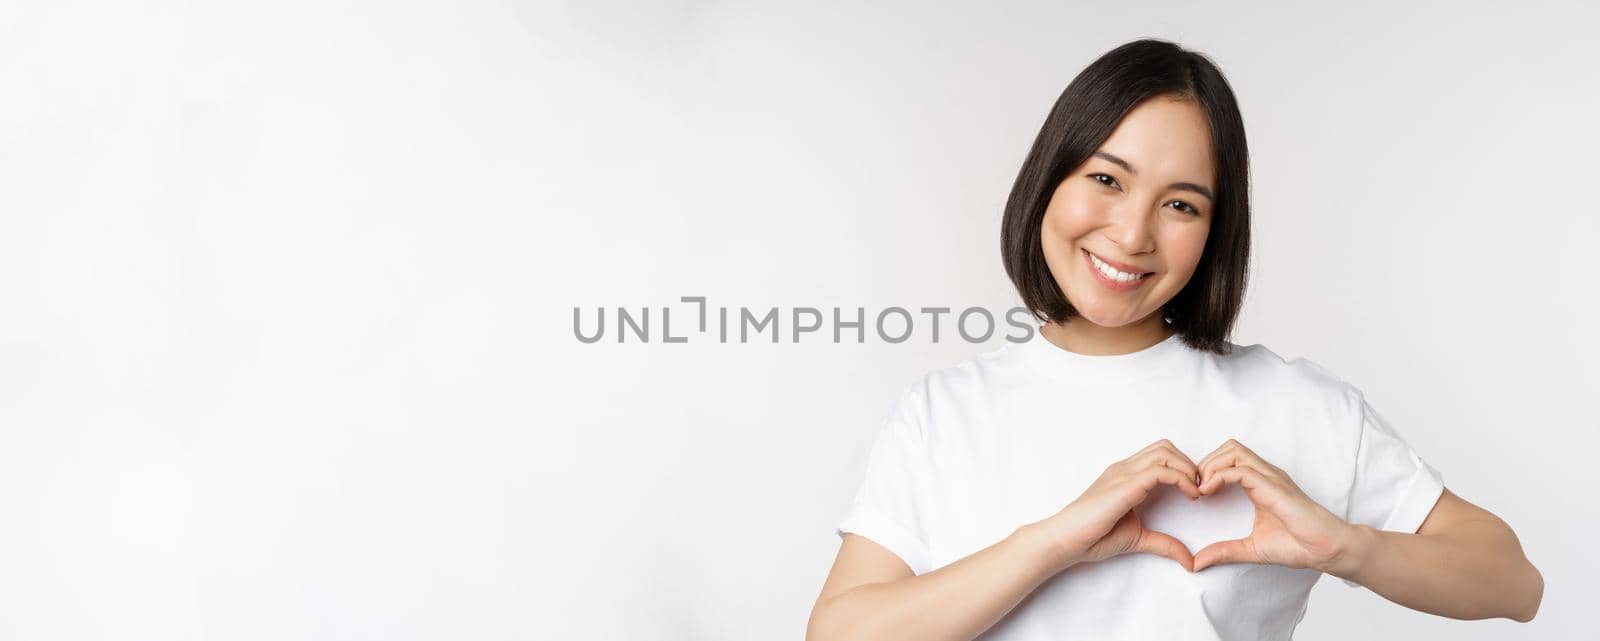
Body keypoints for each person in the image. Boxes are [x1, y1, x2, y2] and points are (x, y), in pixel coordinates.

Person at [805, 38, 1543, 641]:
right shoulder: (944, 413)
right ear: (1049, 181)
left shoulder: (1293, 404)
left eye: (1181, 204)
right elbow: (837, 633)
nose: (1131, 235)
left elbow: (1515, 582)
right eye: (1107, 178)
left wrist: (1347, 546)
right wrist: (1051, 542)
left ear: (1215, 232)